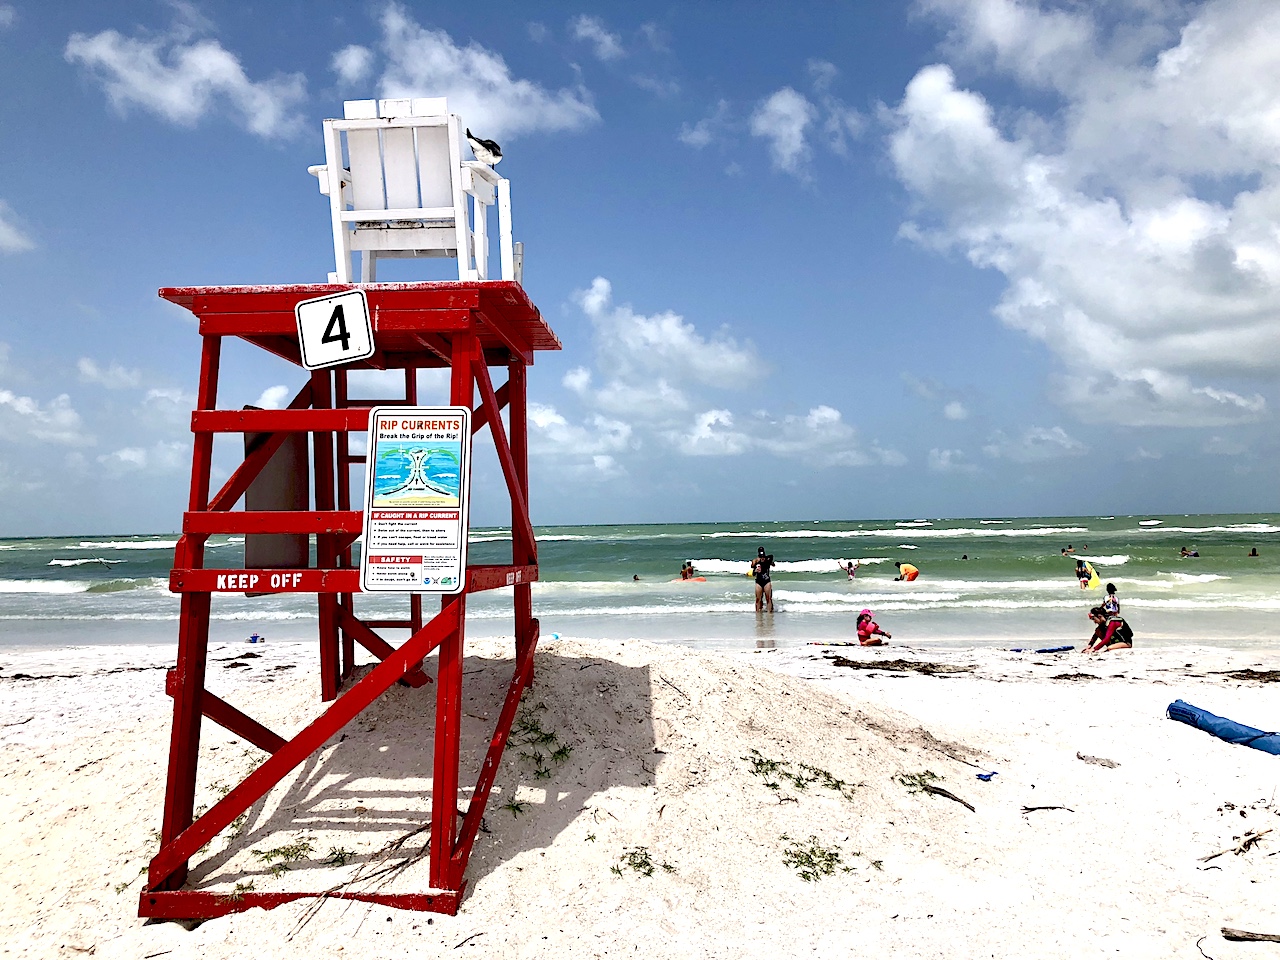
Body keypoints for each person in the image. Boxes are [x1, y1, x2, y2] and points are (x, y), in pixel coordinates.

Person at [750, 546, 775, 612]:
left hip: (767, 581)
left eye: (763, 556)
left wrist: (767, 559)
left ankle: (770, 612)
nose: (762, 558)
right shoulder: (756, 562)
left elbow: (772, 559)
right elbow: (753, 573)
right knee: (758, 599)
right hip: (759, 581)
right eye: (761, 557)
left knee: (768, 598)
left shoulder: (767, 560)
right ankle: (758, 613)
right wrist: (755, 570)